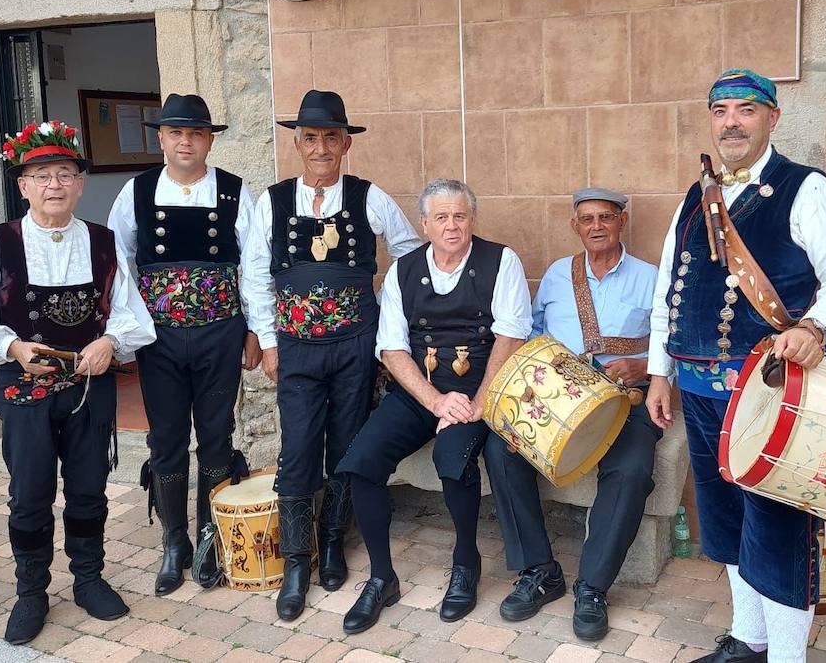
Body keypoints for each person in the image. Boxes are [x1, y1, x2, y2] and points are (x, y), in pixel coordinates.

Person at [644, 69, 826, 663]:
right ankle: (749, 641)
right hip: (695, 390)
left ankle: (786, 656)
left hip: (768, 395)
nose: (731, 122)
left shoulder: (808, 190)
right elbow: (667, 293)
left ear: (773, 117)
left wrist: (813, 327)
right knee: (723, 525)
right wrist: (657, 374)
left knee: (774, 529)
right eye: (721, 110)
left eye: (746, 109)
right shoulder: (695, 199)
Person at [0, 122, 156, 645]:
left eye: (65, 173)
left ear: (80, 183)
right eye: (41, 175)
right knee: (30, 495)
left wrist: (110, 342)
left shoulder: (105, 244)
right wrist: (13, 347)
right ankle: (31, 593)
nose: (54, 185)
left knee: (89, 490)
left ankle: (88, 579)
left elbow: (133, 317)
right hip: (26, 392)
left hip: (90, 389)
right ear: (23, 185)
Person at [247, 90, 421, 619]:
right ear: (297, 143)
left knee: (346, 443)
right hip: (296, 348)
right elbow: (254, 274)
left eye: (330, 137)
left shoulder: (370, 197)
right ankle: (297, 561)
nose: (320, 147)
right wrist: (270, 341)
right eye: (310, 138)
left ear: (346, 143)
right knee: (298, 448)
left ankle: (330, 542)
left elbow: (411, 255)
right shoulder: (271, 202)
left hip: (355, 347)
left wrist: (385, 312)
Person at [335, 179, 531, 634]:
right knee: (361, 463)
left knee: (453, 457)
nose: (451, 226)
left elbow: (511, 336)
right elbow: (392, 349)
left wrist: (477, 404)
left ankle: (466, 562)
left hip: (480, 394)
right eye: (440, 217)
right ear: (424, 224)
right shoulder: (402, 270)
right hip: (422, 393)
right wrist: (437, 401)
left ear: (472, 219)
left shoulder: (501, 261)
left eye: (459, 216)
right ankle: (382, 577)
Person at [484, 187, 659, 641]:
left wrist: (643, 366)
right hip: (558, 397)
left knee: (633, 471)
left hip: (625, 398)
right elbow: (534, 332)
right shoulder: (559, 275)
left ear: (622, 221)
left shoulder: (651, 277)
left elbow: (671, 344)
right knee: (503, 450)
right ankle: (540, 569)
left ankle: (593, 587)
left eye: (606, 217)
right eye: (587, 219)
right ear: (574, 226)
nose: (596, 226)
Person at [107, 93, 261, 596]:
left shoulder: (238, 193)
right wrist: (125, 331)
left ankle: (210, 537)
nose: (186, 142)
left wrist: (258, 329)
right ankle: (176, 542)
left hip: (221, 333)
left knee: (217, 436)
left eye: (196, 133)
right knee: (167, 439)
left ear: (210, 140)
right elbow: (118, 264)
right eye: (176, 133)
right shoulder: (137, 192)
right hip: (160, 337)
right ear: (162, 138)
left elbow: (255, 266)